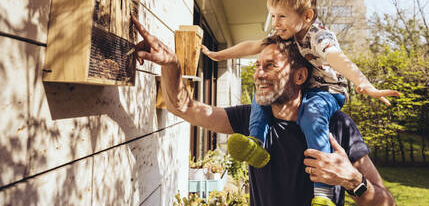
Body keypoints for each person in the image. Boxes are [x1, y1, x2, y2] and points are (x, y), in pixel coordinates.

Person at [132, 16, 395, 206]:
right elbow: (184, 107)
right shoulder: (251, 119)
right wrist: (171, 64)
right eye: (257, 65)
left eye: (270, 66)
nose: (257, 74)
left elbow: (387, 203)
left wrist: (353, 181)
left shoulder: (338, 125)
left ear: (300, 75)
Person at [202, 0, 399, 205]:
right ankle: (256, 143)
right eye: (273, 16)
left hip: (327, 92)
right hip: (308, 89)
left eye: (282, 16)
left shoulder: (318, 36)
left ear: (307, 16)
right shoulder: (284, 36)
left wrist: (363, 82)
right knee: (261, 98)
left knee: (312, 115)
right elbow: (251, 46)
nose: (275, 23)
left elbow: (337, 57)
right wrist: (218, 55)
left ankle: (323, 194)